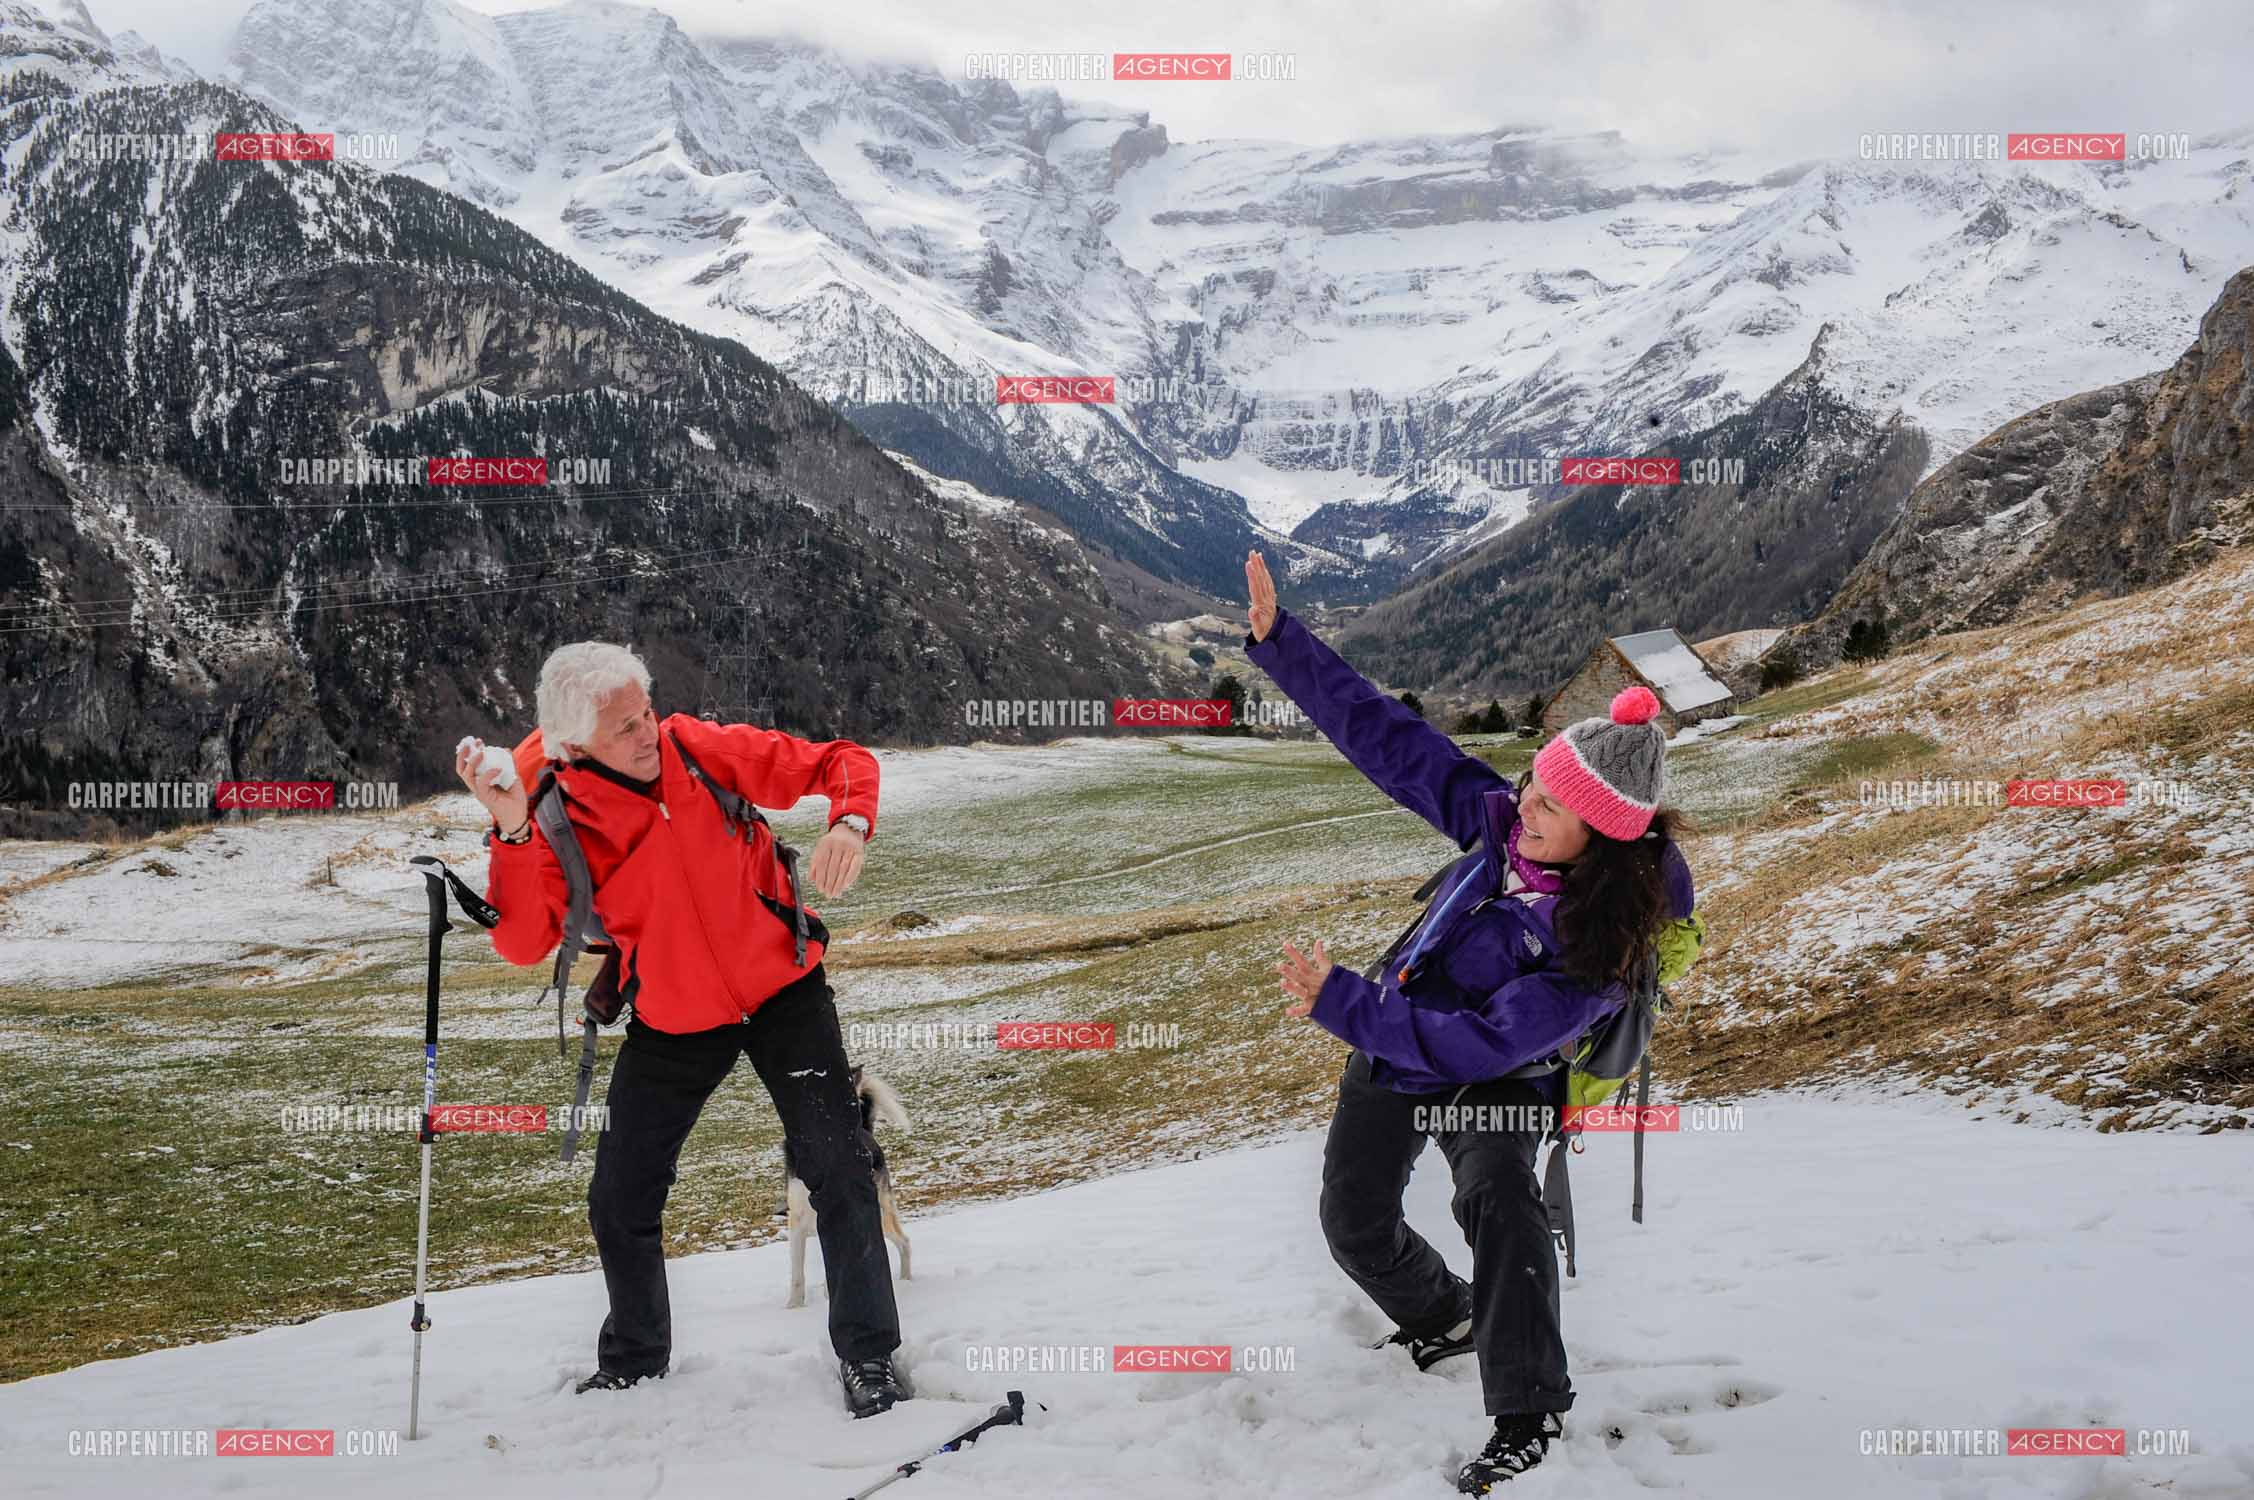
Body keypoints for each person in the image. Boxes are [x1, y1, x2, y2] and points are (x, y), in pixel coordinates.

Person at [1242, 552, 1696, 1493]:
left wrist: (1346, 1004)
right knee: (1352, 1223)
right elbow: (1395, 741)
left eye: (1551, 805)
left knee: (1497, 1198)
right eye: (1532, 783)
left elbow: (1486, 1044)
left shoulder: (1599, 946)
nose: (1523, 804)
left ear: (1603, 837)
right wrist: (1282, 645)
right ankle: (1443, 1315)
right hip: (1398, 1030)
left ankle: (1527, 1407)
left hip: (1496, 1070)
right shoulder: (1499, 824)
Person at [453, 641, 911, 1419]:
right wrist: (512, 830)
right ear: (572, 744)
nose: (648, 732)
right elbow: (525, 942)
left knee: (837, 1160)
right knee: (619, 1196)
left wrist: (851, 824)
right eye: (626, 725)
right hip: (672, 1016)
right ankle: (635, 1359)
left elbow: (840, 760)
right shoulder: (555, 813)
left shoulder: (698, 750)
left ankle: (869, 1357)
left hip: (783, 991)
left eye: (648, 712)